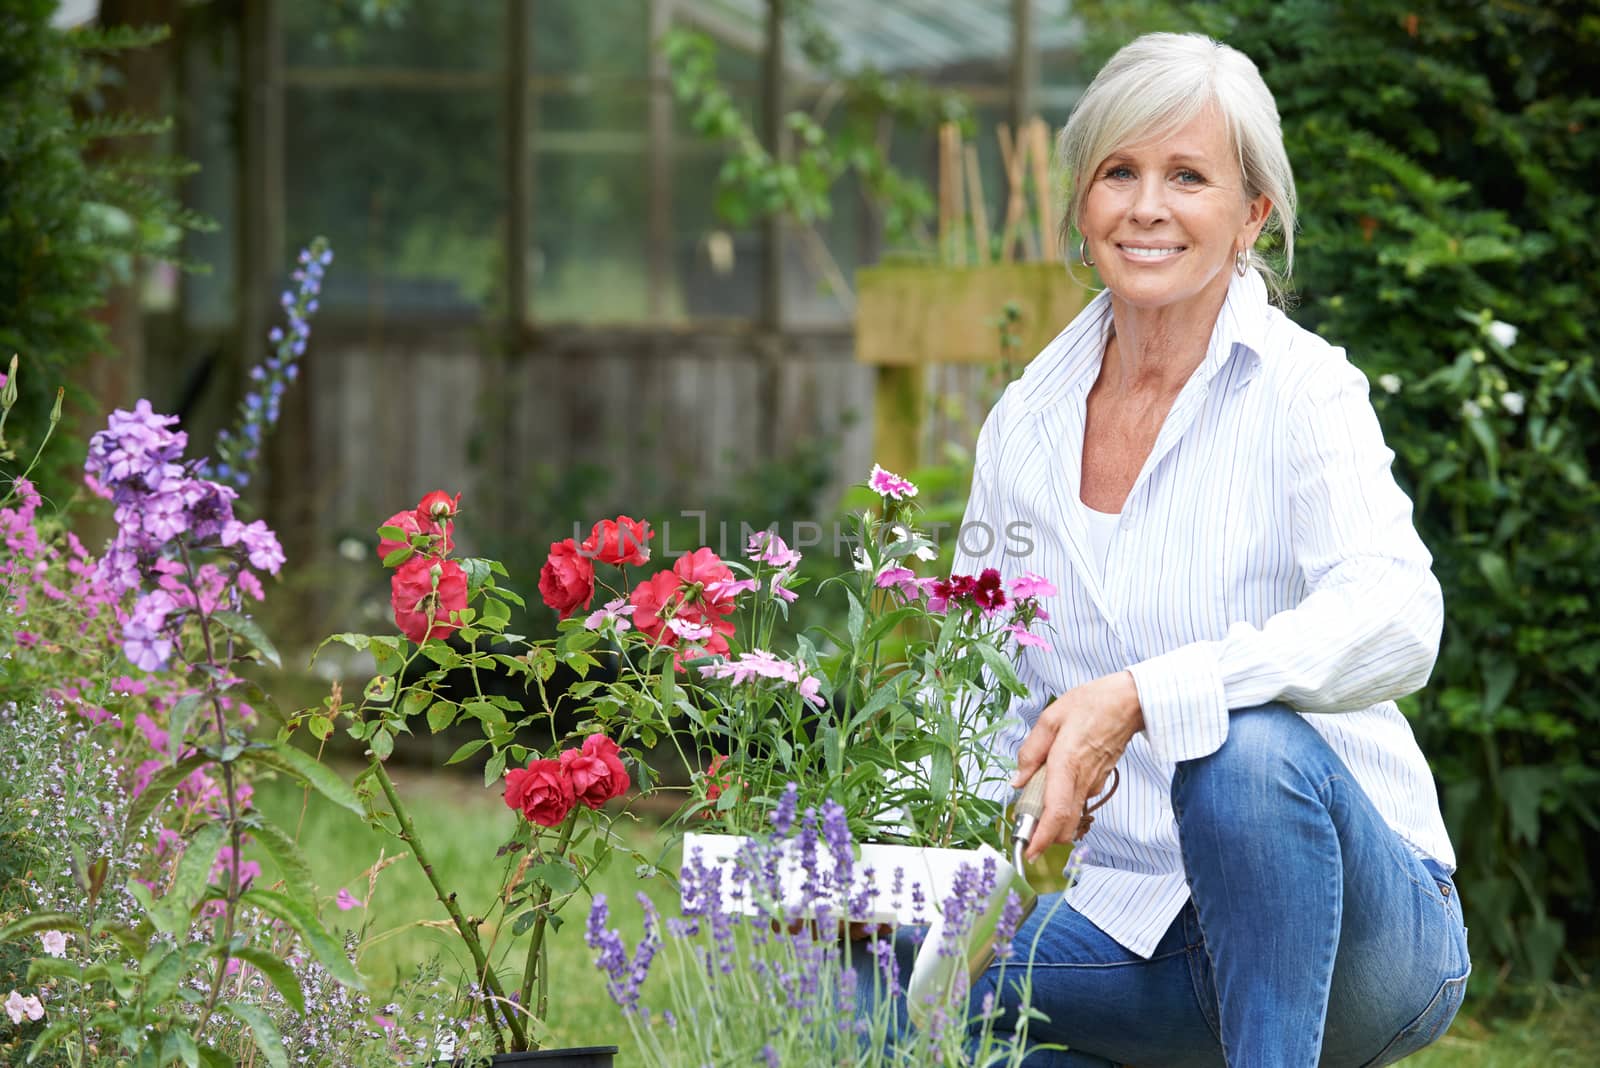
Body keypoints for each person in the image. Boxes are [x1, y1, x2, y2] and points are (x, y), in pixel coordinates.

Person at [946, 32, 1469, 1067]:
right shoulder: (1025, 422)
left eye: (1186, 176)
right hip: (1125, 924)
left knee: (1241, 751)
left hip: (1363, 939)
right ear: (1082, 205)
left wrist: (1148, 692)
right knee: (863, 951)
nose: (1146, 206)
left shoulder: (1304, 391)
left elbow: (1399, 619)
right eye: (1117, 173)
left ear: (1251, 214)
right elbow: (968, 681)